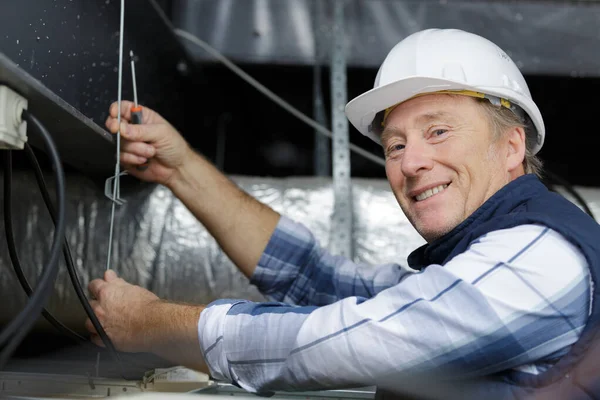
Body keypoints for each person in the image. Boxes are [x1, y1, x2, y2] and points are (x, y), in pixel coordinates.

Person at [87, 29, 600, 399]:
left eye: (438, 131)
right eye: (395, 145)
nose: (411, 161)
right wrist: (180, 169)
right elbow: (317, 280)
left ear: (512, 146)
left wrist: (148, 324)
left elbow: (339, 343)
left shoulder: (538, 259)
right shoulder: (485, 256)